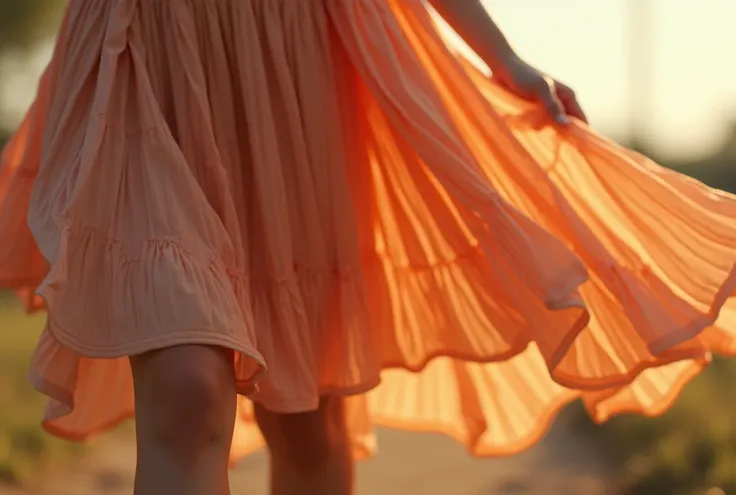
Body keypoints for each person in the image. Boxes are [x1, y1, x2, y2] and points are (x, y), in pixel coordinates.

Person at [1, 0, 735, 494]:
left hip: (296, 70)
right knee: (188, 389)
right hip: (147, 59)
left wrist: (502, 57)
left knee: (308, 420)